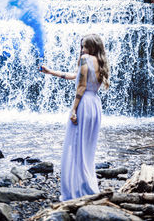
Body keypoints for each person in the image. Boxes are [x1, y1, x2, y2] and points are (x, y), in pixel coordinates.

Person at [40, 34, 109, 201]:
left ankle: (77, 190)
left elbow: (81, 86)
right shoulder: (100, 62)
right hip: (95, 105)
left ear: (91, 48)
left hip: (84, 104)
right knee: (87, 150)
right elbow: (74, 76)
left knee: (76, 147)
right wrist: (50, 72)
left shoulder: (85, 58)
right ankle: (88, 186)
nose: (82, 50)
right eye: (82, 46)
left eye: (85, 46)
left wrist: (73, 110)